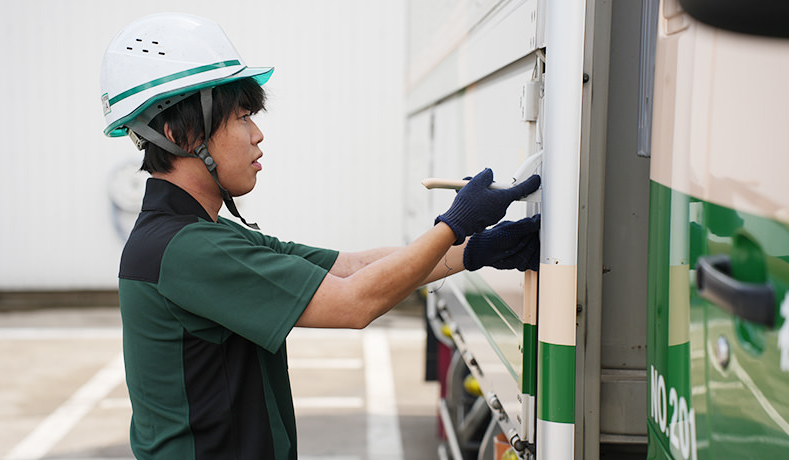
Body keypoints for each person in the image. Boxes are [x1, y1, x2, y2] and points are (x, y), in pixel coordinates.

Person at [100, 12, 541, 460]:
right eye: (242, 118)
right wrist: (455, 224)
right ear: (179, 132)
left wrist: (477, 249)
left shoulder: (195, 236)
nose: (258, 135)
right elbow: (353, 303)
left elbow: (349, 268)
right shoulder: (186, 250)